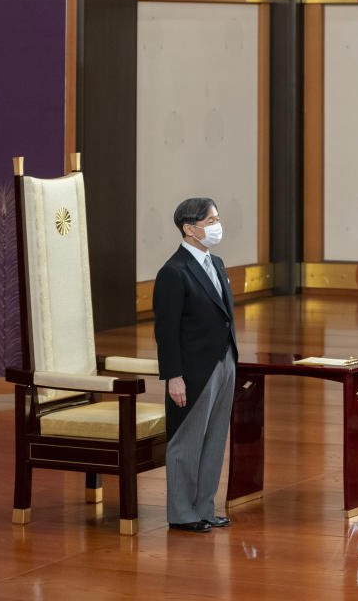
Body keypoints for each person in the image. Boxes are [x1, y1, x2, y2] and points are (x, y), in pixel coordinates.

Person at [154, 197, 238, 533]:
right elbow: (166, 331)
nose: (217, 226)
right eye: (211, 220)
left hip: (224, 361)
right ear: (190, 229)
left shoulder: (215, 263)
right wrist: (174, 376)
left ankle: (204, 507)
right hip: (192, 370)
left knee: (215, 439)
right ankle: (181, 513)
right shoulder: (173, 272)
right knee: (186, 441)